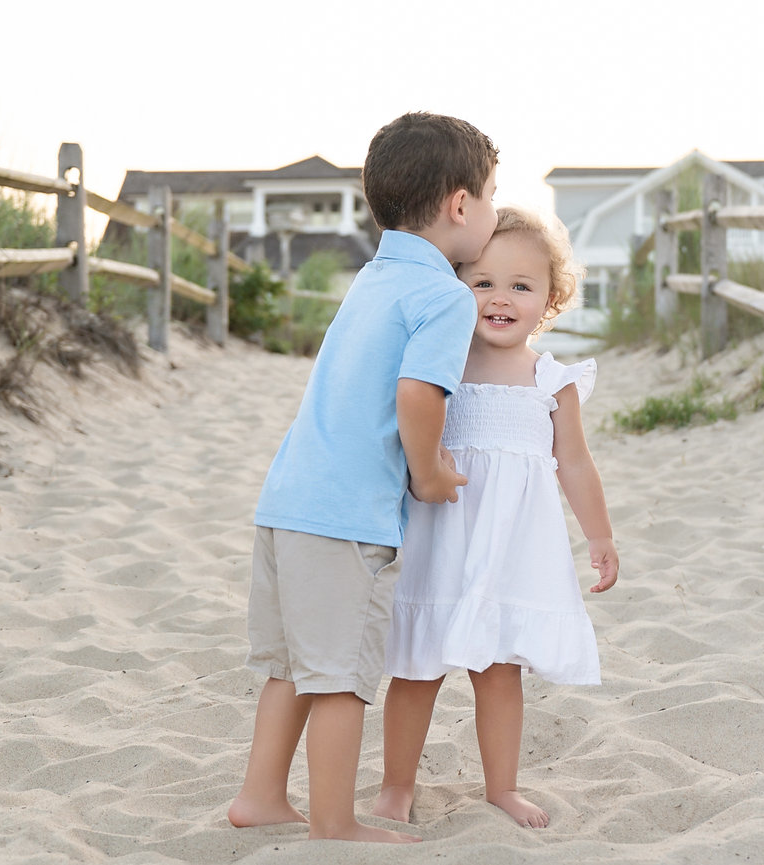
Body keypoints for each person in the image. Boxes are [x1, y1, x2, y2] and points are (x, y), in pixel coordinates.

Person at [226, 112, 498, 843]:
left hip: (286, 501)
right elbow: (416, 395)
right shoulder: (444, 295)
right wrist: (432, 472)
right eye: (493, 194)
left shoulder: (373, 278)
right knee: (341, 676)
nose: (495, 212)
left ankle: (260, 794)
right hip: (346, 517)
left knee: (291, 665)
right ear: (460, 204)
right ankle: (335, 821)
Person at [373, 206, 619, 829]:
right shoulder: (439, 364)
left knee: (500, 669)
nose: (500, 298)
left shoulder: (552, 380)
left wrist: (600, 537)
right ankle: (396, 785)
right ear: (455, 285)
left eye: (521, 286)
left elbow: (576, 465)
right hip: (442, 539)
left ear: (551, 298)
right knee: (416, 666)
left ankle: (502, 786)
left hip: (512, 546)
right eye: (482, 282)